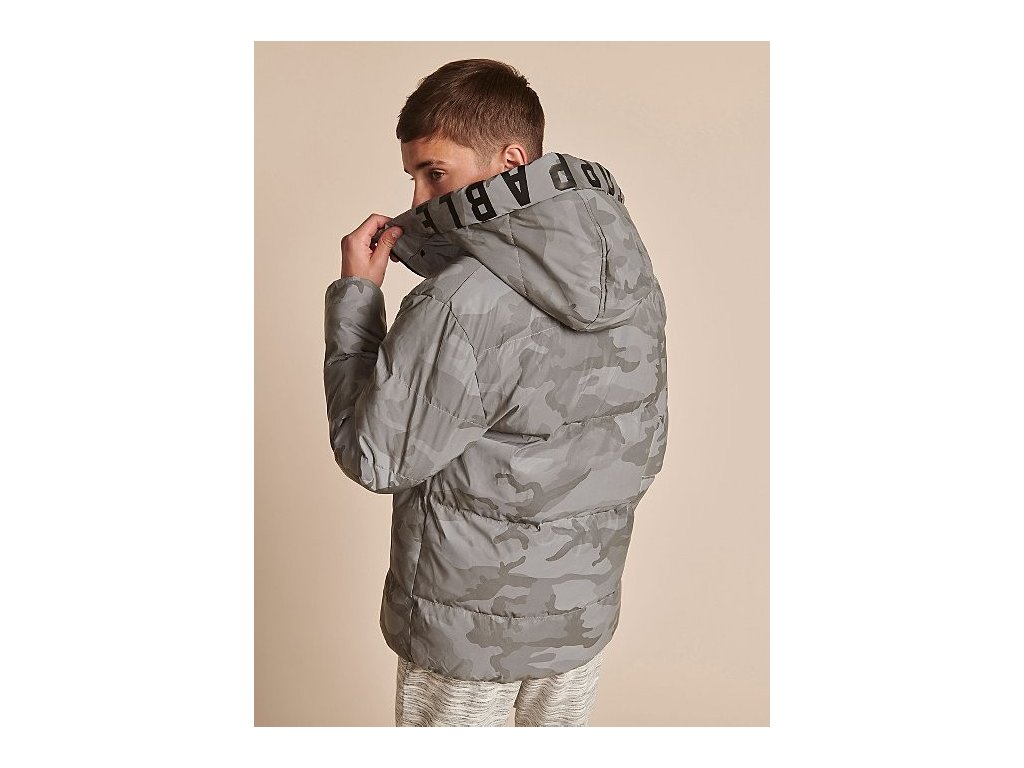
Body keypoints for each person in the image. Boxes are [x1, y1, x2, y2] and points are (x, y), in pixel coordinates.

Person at [323, 58, 669, 727]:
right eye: (415, 177)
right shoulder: (632, 276)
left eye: (435, 173)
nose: (420, 198)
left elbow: (374, 457)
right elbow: (644, 447)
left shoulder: (461, 304)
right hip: (579, 618)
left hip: (464, 634)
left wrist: (357, 298)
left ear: (512, 161)